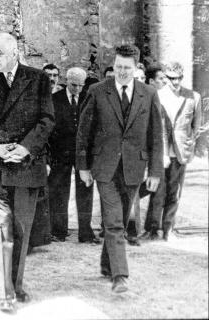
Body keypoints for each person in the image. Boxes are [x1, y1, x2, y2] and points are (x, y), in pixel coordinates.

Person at [0, 32, 55, 312]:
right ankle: (4, 292)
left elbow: (46, 119)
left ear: (15, 52)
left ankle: (16, 285)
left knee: (21, 230)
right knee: (2, 231)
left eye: (0, 53)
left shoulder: (38, 79)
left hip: (27, 166)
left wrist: (26, 148)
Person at [76, 44, 163, 293]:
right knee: (113, 222)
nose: (122, 72)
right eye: (118, 67)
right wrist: (83, 167)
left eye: (127, 68)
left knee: (121, 221)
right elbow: (84, 132)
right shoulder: (97, 91)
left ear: (136, 69)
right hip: (104, 168)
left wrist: (155, 172)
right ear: (113, 67)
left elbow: (156, 136)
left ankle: (107, 264)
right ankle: (120, 275)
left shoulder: (149, 93)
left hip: (134, 168)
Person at [141, 61, 203, 241]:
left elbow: (196, 125)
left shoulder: (193, 97)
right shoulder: (157, 96)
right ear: (166, 78)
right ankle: (152, 229)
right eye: (171, 79)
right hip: (161, 153)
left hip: (181, 152)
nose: (175, 83)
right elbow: (152, 126)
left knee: (174, 192)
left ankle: (169, 229)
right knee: (157, 191)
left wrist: (188, 145)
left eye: (178, 79)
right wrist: (161, 153)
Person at [48, 67, 99, 244]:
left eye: (80, 85)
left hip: (83, 153)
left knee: (85, 190)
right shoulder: (54, 99)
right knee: (59, 191)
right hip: (60, 152)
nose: (77, 89)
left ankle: (85, 232)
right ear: (66, 81)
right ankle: (58, 230)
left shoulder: (89, 98)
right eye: (73, 85)